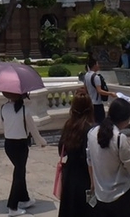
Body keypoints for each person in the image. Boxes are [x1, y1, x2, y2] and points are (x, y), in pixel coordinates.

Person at [85, 97, 130, 217]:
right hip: (121, 194)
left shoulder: (92, 133)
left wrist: (92, 183)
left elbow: (89, 161)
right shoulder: (120, 139)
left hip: (101, 193)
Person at [0, 91, 47, 216]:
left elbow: (3, 124)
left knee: (20, 171)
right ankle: (12, 206)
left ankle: (25, 199)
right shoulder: (25, 110)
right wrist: (41, 142)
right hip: (21, 145)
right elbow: (33, 129)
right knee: (19, 174)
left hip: (8, 144)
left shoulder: (3, 108)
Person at [57, 89, 95, 217]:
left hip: (70, 173)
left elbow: (61, 149)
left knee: (69, 207)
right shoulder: (91, 130)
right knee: (86, 209)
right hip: (85, 174)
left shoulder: (68, 126)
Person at [84, 57, 114, 123]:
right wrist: (110, 93)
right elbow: (99, 91)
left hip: (90, 103)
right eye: (97, 64)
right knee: (100, 122)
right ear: (94, 65)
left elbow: (85, 89)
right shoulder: (96, 77)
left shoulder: (86, 75)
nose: (98, 65)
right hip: (97, 103)